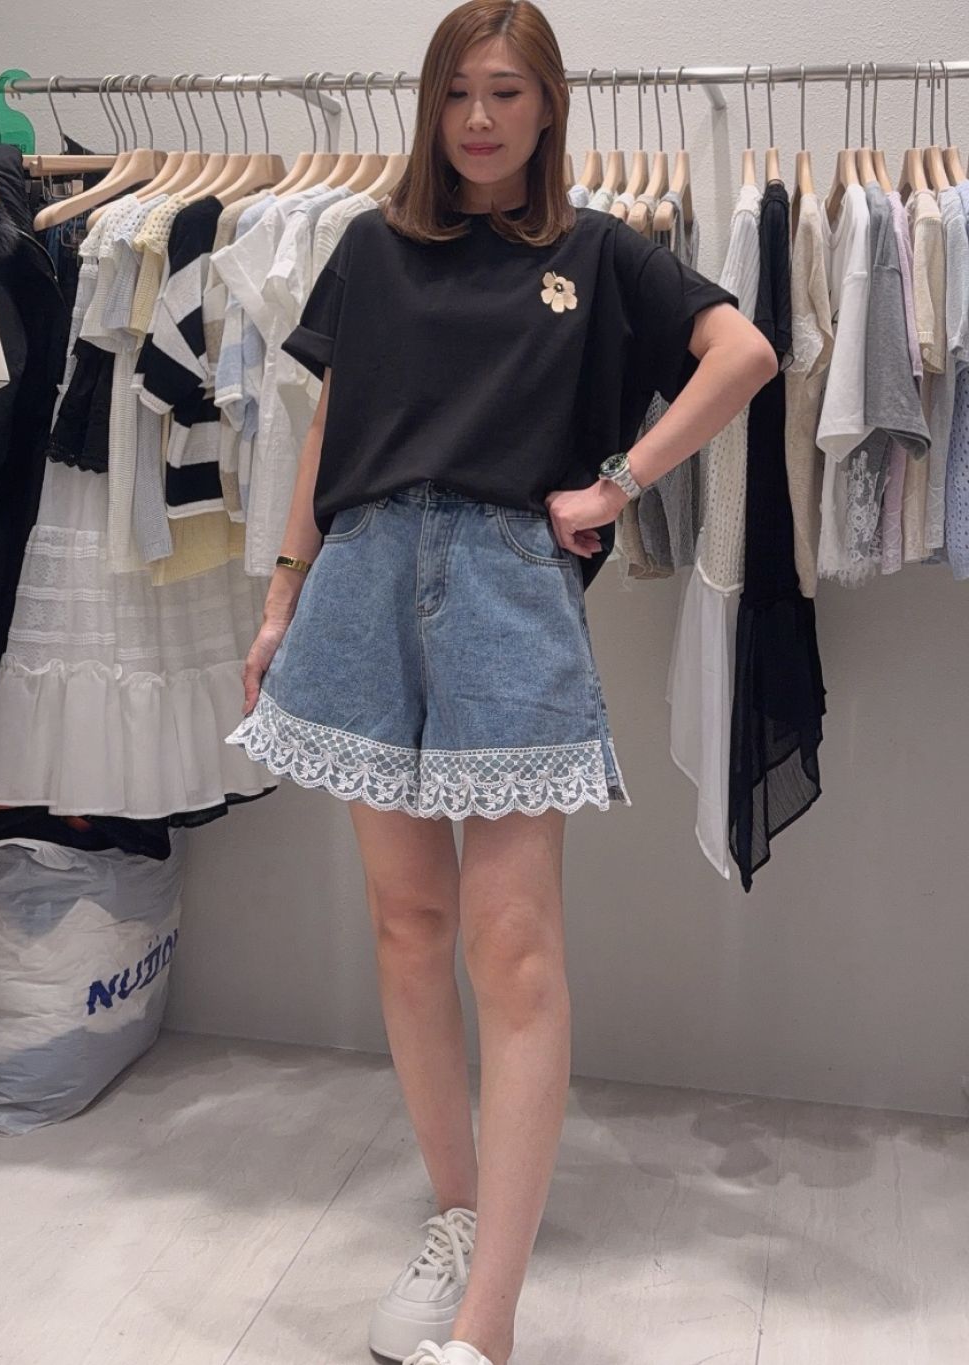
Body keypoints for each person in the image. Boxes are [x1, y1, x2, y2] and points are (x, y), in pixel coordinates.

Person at [225, 3, 778, 1362]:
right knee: (406, 925)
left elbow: (746, 354)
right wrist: (284, 590)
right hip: (361, 584)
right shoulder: (372, 246)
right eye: (459, 92)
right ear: (431, 106)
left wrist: (619, 483)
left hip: (503, 591)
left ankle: (488, 1325)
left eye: (509, 93)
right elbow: (330, 426)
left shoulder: (597, 252)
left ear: (548, 108)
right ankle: (459, 1212)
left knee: (514, 946)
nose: (480, 119)